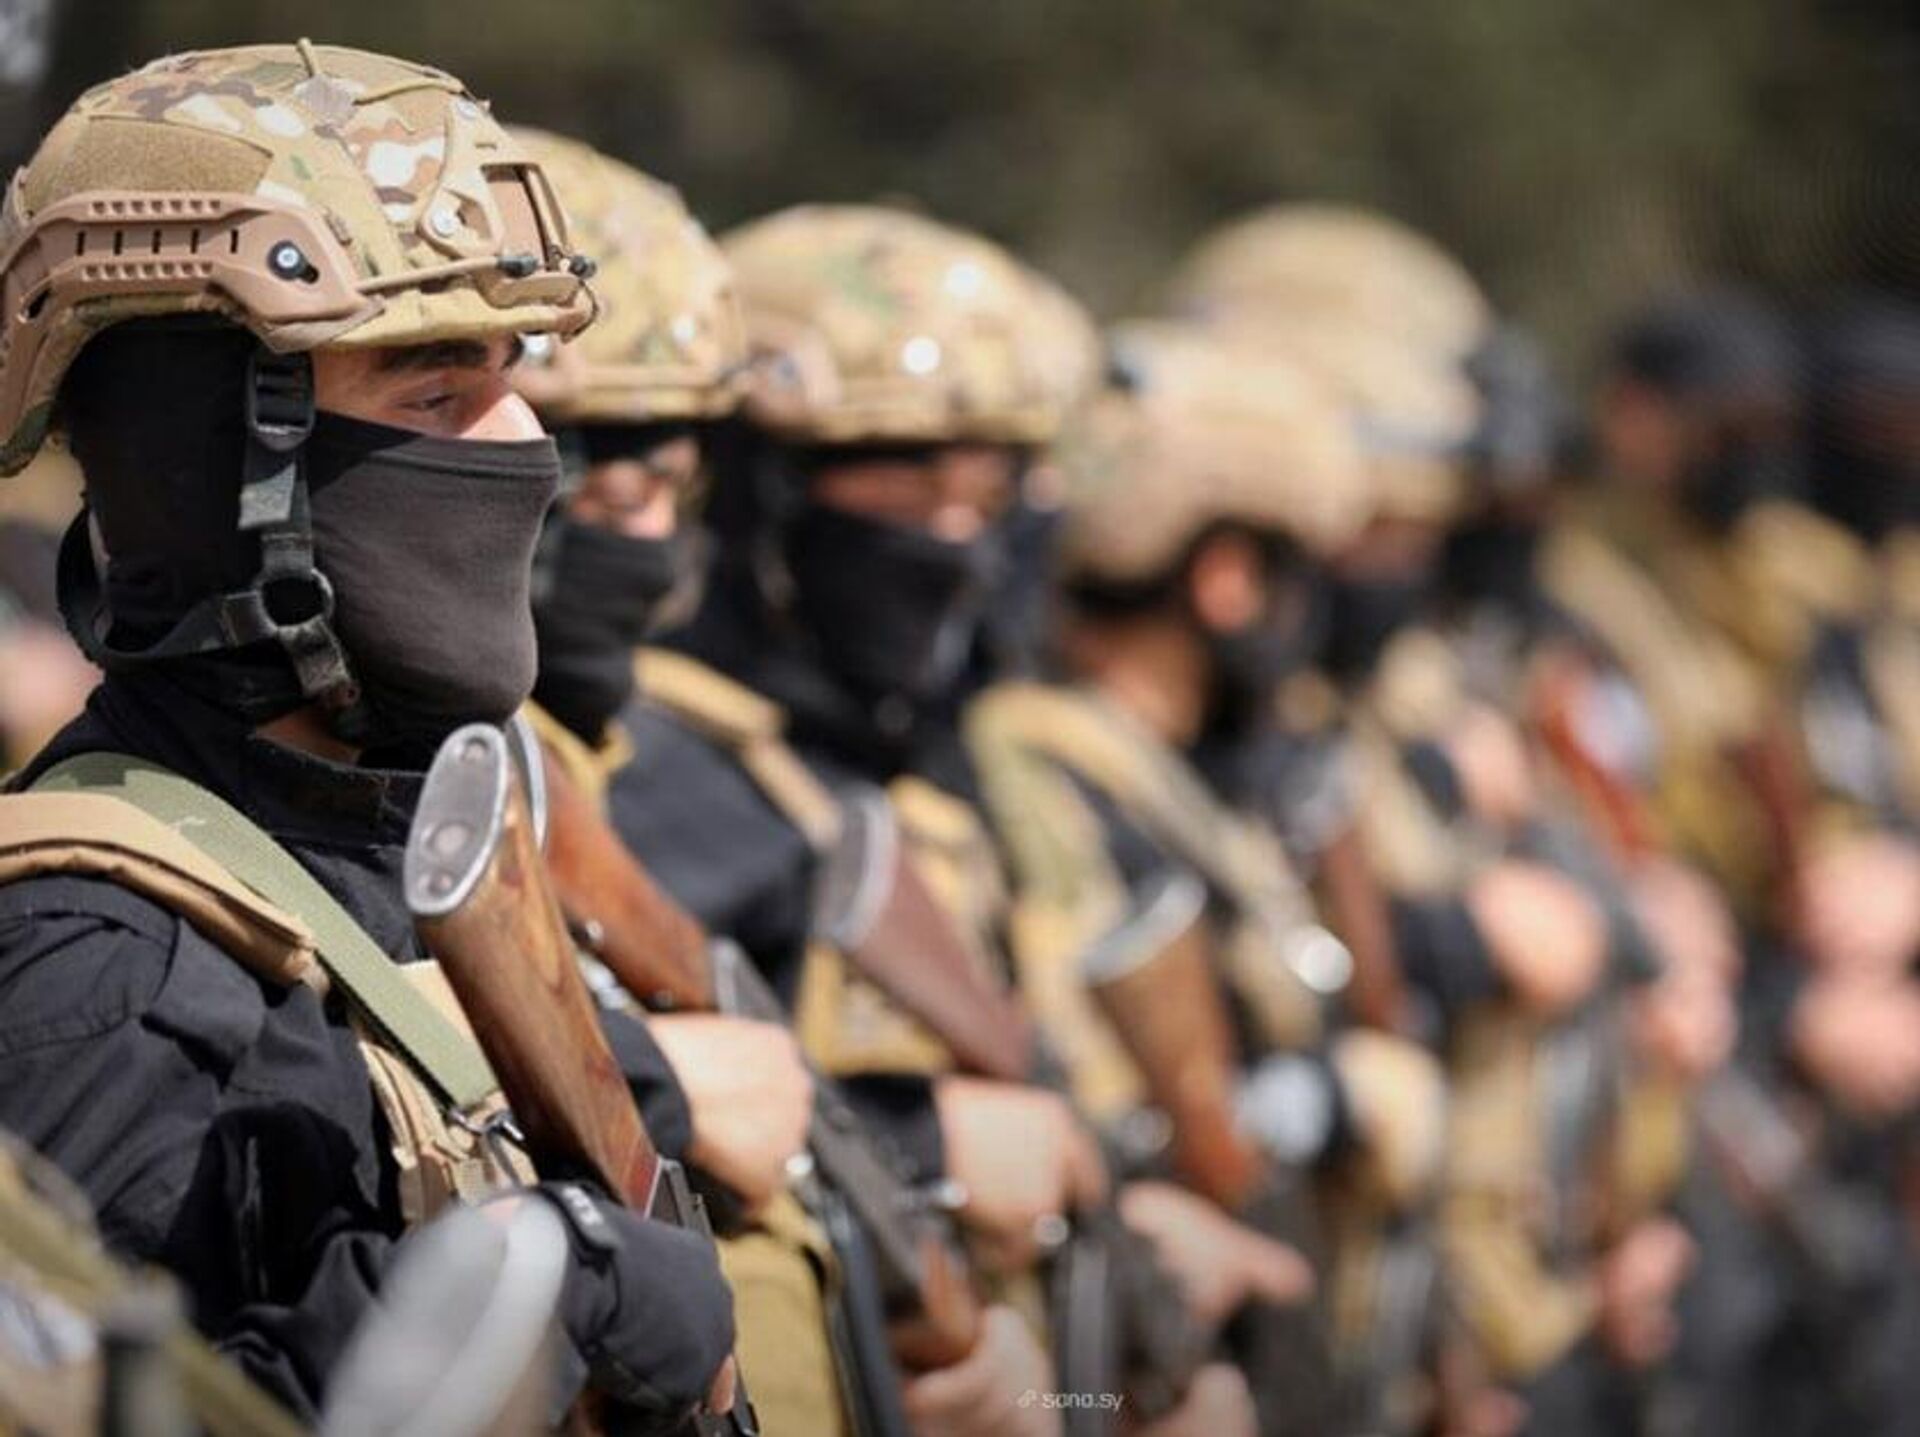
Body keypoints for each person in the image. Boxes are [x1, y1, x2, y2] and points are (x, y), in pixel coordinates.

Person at [0, 43, 734, 1427]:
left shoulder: (394, 849)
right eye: (434, 397)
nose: (524, 451)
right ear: (216, 480)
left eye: (513, 376)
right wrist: (489, 1318)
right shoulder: (100, 988)